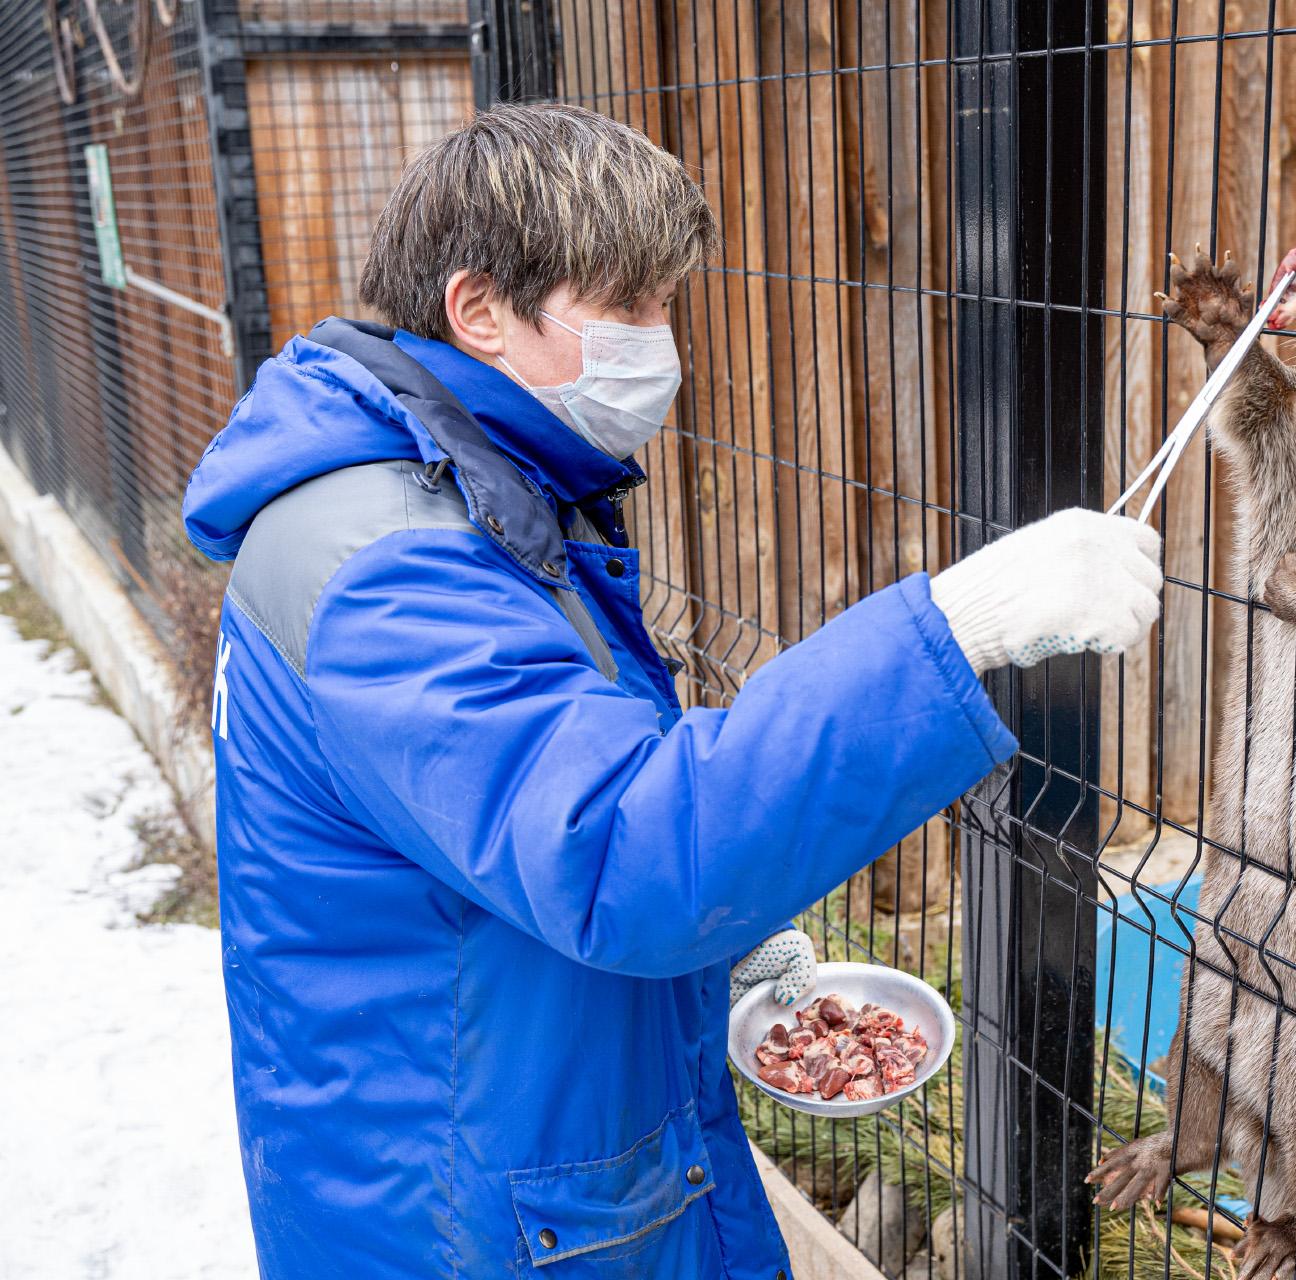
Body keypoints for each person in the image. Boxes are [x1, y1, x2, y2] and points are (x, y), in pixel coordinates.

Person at [180, 102, 1162, 1278]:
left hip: (502, 1134)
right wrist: (954, 627)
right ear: (480, 309)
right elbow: (618, 850)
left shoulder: (452, 497)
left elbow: (536, 799)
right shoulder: (389, 569)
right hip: (463, 1218)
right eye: (629, 304)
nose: (663, 342)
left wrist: (729, 928)